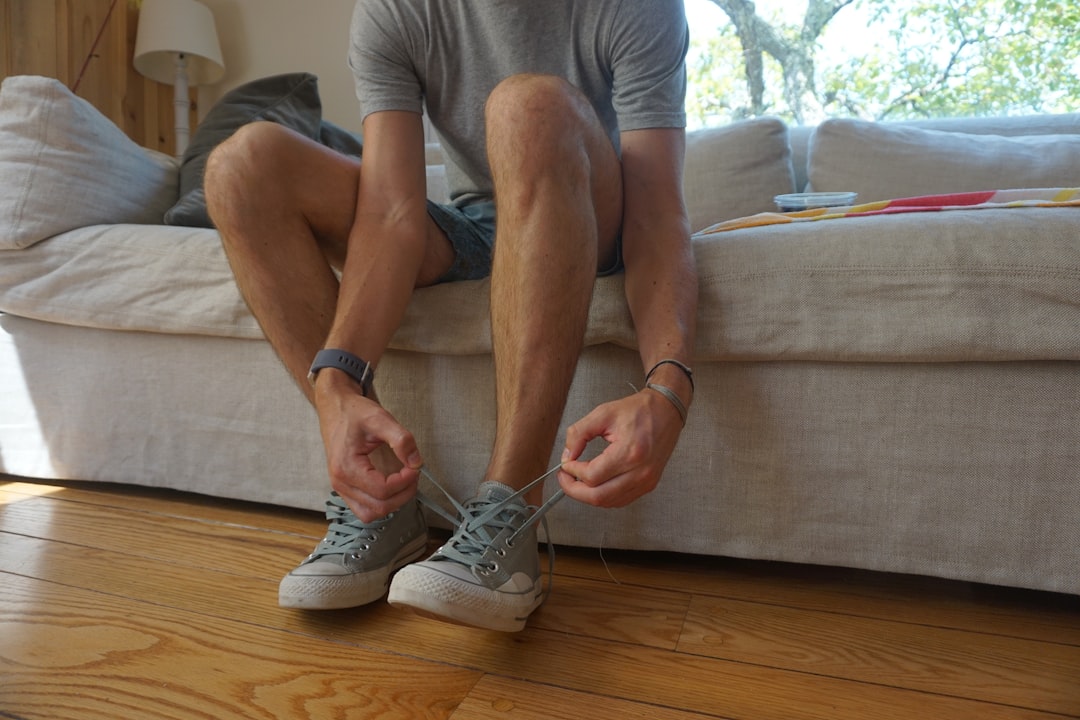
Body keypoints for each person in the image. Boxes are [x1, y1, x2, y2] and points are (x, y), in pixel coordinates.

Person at [203, 0, 697, 633]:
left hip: (589, 213)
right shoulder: (396, 11)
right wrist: (334, 385)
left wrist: (668, 387)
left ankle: (506, 522)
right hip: (473, 224)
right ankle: (380, 507)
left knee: (527, 106)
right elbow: (391, 214)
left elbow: (657, 214)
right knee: (244, 165)